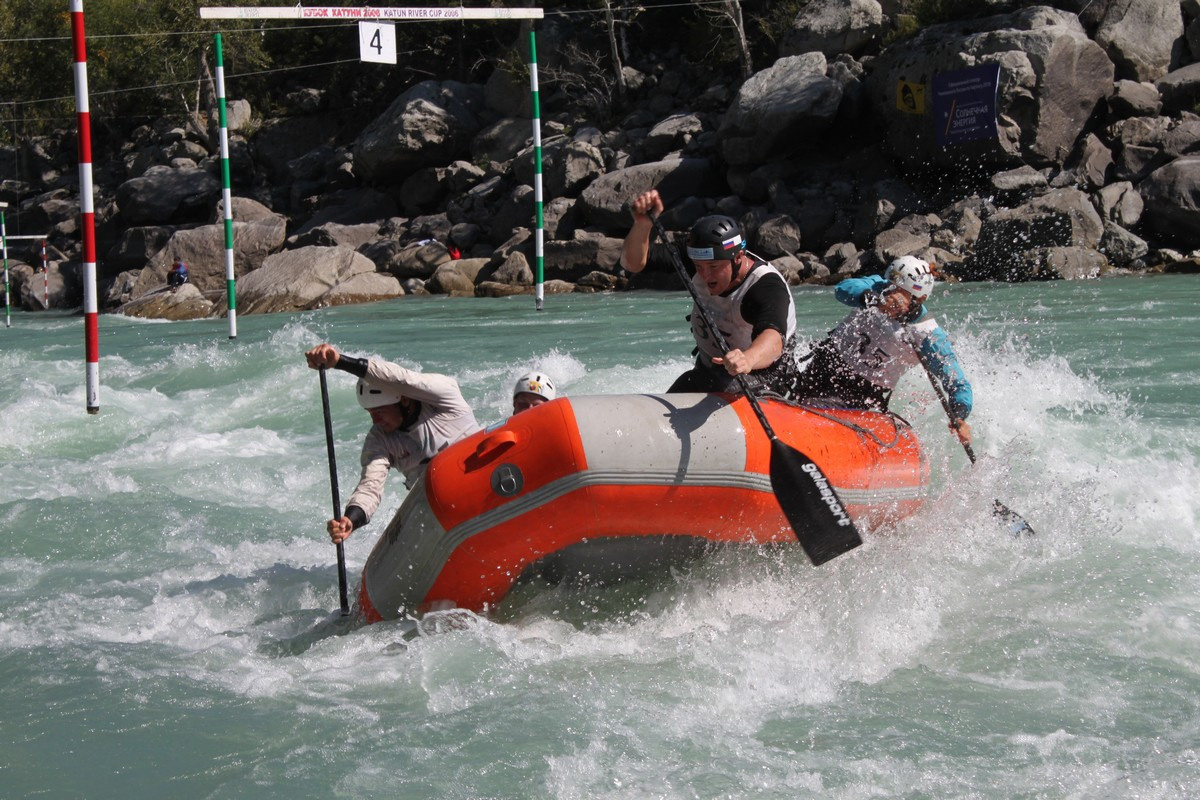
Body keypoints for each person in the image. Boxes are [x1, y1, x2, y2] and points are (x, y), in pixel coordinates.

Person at [621, 189, 800, 395]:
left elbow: (774, 340)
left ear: (738, 258)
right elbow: (632, 263)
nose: (705, 276)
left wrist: (747, 359)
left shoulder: (765, 286)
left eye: (714, 267)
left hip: (764, 381)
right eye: (699, 267)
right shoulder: (696, 256)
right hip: (708, 373)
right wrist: (642, 226)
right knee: (698, 382)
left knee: (719, 382)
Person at [305, 343, 481, 544]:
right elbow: (370, 485)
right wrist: (351, 519)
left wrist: (340, 362)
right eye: (370, 413)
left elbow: (402, 378)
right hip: (441, 508)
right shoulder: (380, 439)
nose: (375, 421)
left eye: (379, 411)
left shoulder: (444, 399)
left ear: (404, 401)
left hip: (481, 482)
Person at [790, 255, 974, 445]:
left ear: (919, 298)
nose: (891, 293)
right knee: (791, 401)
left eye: (899, 291)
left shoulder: (928, 335)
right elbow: (843, 288)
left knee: (810, 414)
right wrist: (872, 298)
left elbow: (957, 383)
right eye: (891, 286)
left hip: (860, 391)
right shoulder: (878, 288)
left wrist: (959, 415)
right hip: (826, 361)